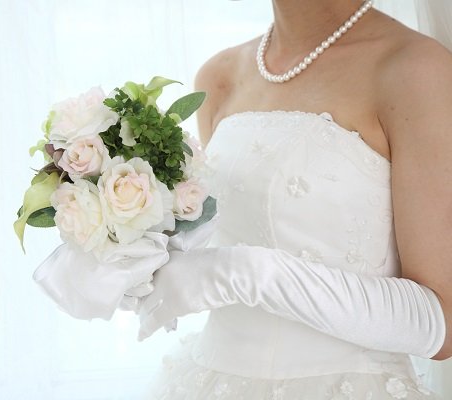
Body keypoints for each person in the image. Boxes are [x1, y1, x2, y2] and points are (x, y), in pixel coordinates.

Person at [135, 0, 452, 398]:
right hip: (207, 381)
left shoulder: (415, 69)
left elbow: (441, 325)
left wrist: (247, 273)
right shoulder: (219, 76)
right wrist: (127, 252)